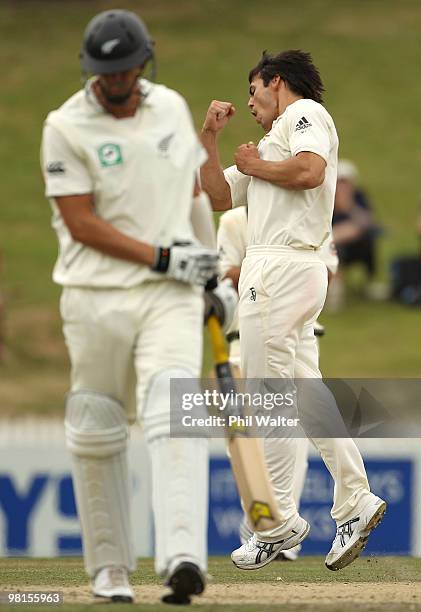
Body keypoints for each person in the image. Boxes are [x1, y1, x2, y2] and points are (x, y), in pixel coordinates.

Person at [41, 9, 235, 605]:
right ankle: (109, 571)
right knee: (98, 429)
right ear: (90, 70)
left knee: (174, 410)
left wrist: (211, 271)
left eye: (126, 69)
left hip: (168, 297)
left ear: (144, 62)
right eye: (107, 72)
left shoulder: (171, 107)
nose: (117, 81)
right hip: (95, 297)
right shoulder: (64, 125)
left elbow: (193, 193)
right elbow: (80, 223)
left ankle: (182, 556)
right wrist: (162, 257)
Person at [200, 49, 386, 571]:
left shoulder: (305, 116)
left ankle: (276, 523)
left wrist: (258, 164)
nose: (250, 103)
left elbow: (309, 170)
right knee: (306, 392)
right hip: (286, 269)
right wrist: (211, 140)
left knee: (267, 397)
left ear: (276, 82)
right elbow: (217, 196)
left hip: (280, 267)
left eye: (253, 90)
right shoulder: (269, 143)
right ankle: (356, 499)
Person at [217, 206, 339, 561]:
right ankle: (262, 522)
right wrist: (271, 268)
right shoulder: (234, 221)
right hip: (243, 340)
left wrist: (263, 269)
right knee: (242, 442)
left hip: (295, 337)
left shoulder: (312, 214)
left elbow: (326, 273)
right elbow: (225, 276)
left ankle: (281, 527)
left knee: (290, 426)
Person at [327, 159, 382, 309]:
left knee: (367, 240)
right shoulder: (325, 199)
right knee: (335, 249)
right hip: (332, 244)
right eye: (339, 182)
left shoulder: (358, 197)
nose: (342, 186)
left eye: (346, 182)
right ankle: (334, 290)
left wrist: (350, 207)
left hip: (357, 243)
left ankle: (368, 284)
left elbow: (368, 222)